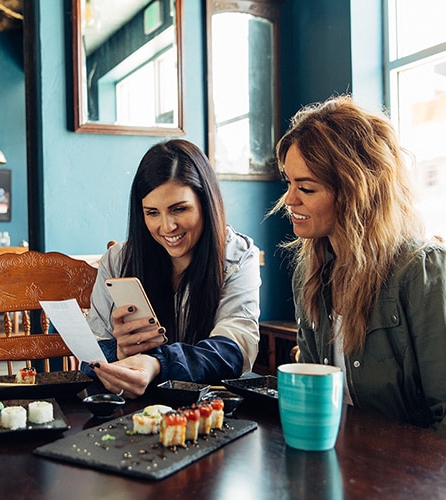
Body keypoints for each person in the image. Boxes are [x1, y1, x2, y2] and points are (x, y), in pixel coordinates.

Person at [270, 95, 446, 435]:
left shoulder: (422, 272)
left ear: (356, 192)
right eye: (288, 183)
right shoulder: (308, 276)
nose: (290, 199)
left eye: (306, 187)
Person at [84, 139, 261, 399]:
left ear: (206, 203)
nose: (167, 227)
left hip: (211, 409)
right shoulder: (118, 260)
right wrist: (119, 354)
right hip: (135, 413)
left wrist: (158, 363)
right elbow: (90, 359)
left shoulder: (237, 256)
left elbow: (234, 350)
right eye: (152, 212)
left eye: (179, 209)